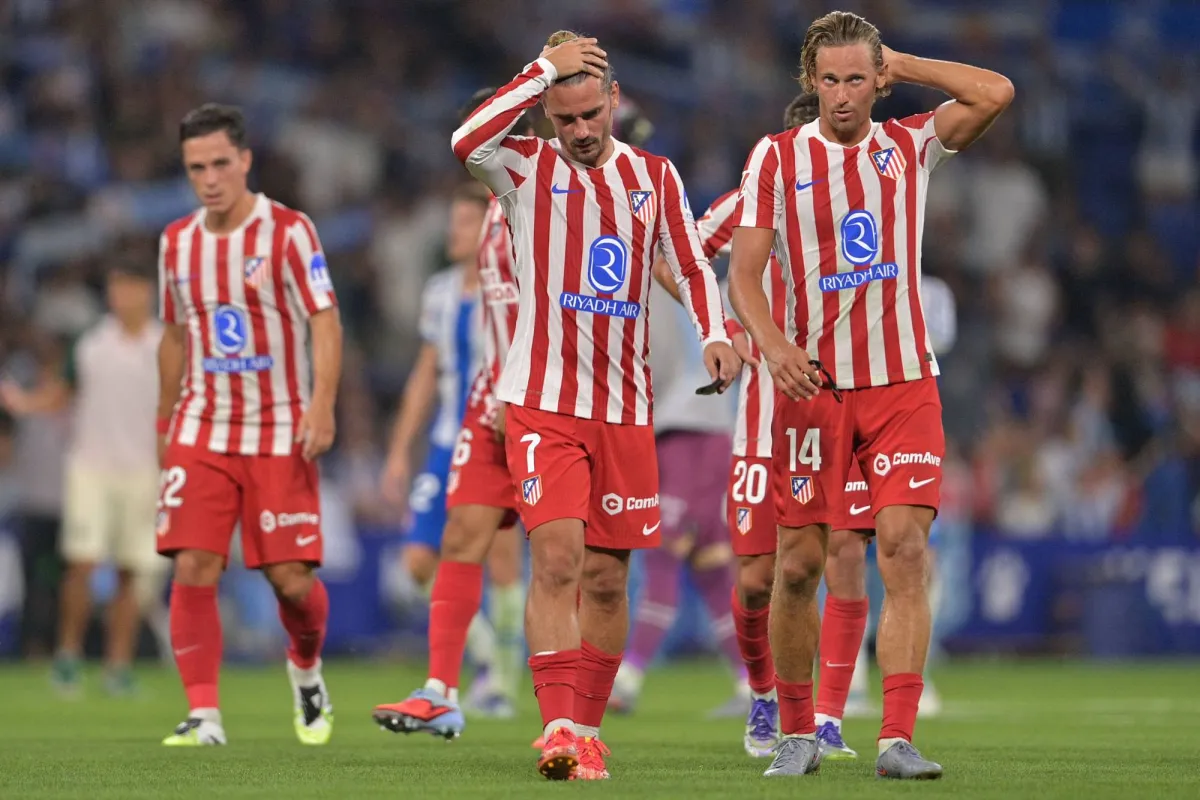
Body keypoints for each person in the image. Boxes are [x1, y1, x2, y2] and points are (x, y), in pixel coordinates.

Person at [728, 10, 1012, 780]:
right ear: (810, 81)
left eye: (859, 79)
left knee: (904, 549)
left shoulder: (909, 145)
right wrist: (776, 346)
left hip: (901, 386)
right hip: (813, 388)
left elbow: (995, 92)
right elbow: (744, 275)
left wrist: (904, 63)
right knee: (797, 568)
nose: (845, 95)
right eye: (831, 80)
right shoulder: (777, 158)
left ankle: (895, 738)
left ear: (876, 82)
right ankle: (797, 731)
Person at [452, 30, 738, 780]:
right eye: (564, 117)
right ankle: (555, 730)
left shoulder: (654, 176)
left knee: (608, 579)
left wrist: (714, 331)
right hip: (543, 402)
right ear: (545, 113)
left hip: (625, 410)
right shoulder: (523, 167)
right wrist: (541, 70)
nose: (579, 130)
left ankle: (585, 731)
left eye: (590, 113)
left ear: (614, 100)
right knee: (556, 558)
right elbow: (465, 141)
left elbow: (688, 262)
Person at [155, 103, 343, 746]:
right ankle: (203, 716)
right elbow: (174, 336)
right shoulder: (176, 242)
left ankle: (306, 668)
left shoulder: (288, 231)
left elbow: (324, 320)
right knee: (193, 564)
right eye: (195, 168)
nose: (209, 179)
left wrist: (322, 404)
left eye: (219, 164)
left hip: (280, 429)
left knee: (291, 582)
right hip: (202, 426)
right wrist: (164, 420)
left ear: (245, 161)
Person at [373, 94, 531, 737]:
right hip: (472, 421)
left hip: (545, 408)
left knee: (554, 564)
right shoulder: (449, 282)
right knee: (443, 548)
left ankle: (530, 694)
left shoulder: (538, 209)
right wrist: (398, 448)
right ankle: (451, 684)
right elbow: (426, 372)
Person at [2, 258, 164, 696]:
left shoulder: (164, 345)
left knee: (132, 571)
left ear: (145, 292)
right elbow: (62, 393)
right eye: (115, 288)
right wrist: (25, 403)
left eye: (128, 287)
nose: (120, 296)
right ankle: (69, 657)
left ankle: (118, 666)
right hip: (91, 467)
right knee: (81, 564)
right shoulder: (90, 342)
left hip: (144, 470)